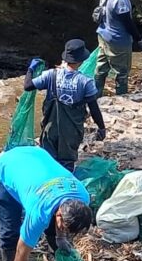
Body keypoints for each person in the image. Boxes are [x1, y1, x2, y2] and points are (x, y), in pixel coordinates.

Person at [0, 146, 92, 261]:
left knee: (52, 227)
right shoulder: (39, 213)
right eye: (65, 229)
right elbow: (21, 251)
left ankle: (58, 260)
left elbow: (62, 220)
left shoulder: (83, 197)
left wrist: (61, 238)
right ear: (59, 214)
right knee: (10, 233)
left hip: (36, 155)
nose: (67, 233)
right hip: (8, 165)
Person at [24, 39, 107, 172]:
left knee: (48, 161)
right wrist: (101, 127)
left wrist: (30, 69)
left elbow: (27, 86)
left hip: (50, 129)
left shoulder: (51, 75)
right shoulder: (85, 82)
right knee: (67, 164)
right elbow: (94, 108)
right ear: (82, 60)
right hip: (71, 131)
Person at [94, 0, 142, 96]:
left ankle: (94, 95)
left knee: (101, 68)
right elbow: (128, 23)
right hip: (118, 40)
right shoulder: (120, 1)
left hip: (103, 35)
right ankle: (121, 97)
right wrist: (139, 39)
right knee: (122, 72)